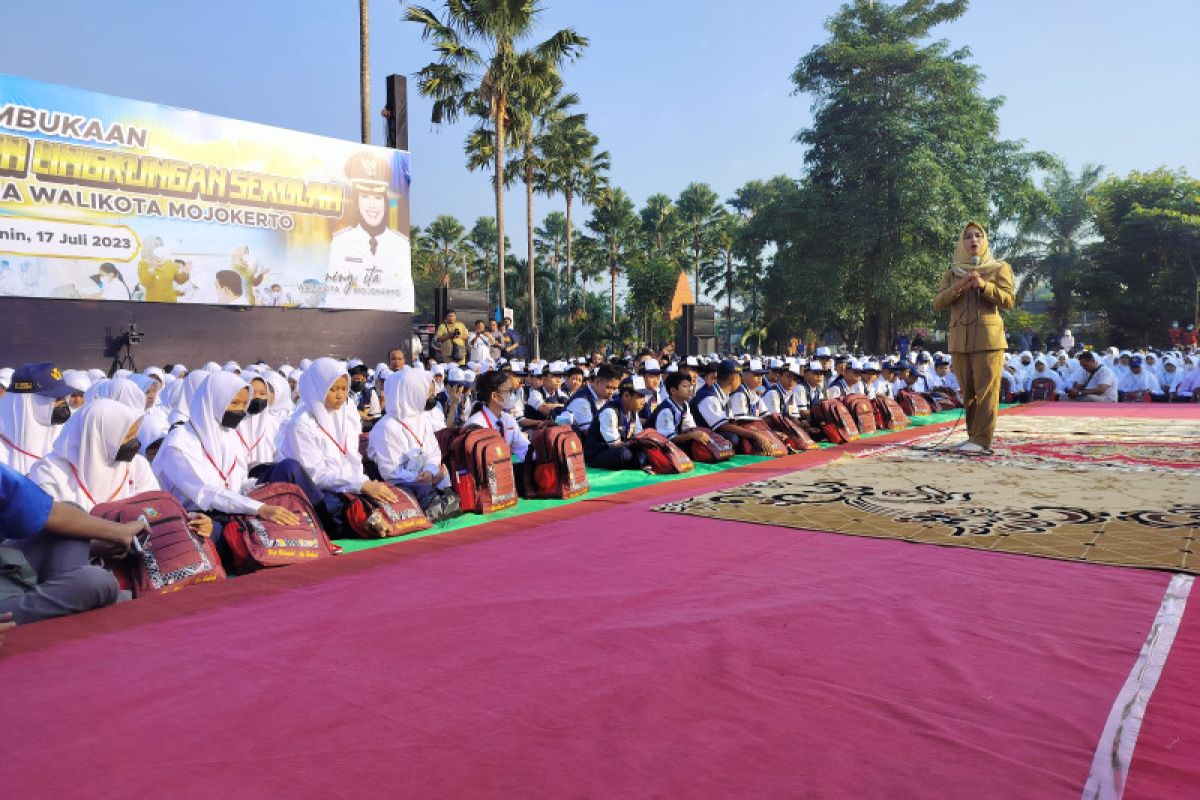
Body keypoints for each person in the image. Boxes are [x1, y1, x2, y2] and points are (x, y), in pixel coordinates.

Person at [1, 462, 148, 624]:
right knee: (97, 583)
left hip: (8, 565)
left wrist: (106, 539)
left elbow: (50, 513)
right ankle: (81, 604)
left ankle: (71, 604)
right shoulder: (49, 469)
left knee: (72, 521)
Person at [278, 358, 400, 534]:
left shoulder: (346, 413)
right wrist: (360, 485)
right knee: (330, 505)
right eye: (333, 389)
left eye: (344, 389)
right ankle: (362, 519)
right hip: (319, 491)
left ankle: (365, 515)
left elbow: (353, 458)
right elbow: (316, 476)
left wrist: (363, 484)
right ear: (317, 388)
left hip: (348, 485)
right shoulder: (300, 424)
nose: (340, 395)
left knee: (389, 493)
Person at [931, 222, 1015, 453]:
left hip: (988, 339)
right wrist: (959, 285)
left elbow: (1008, 300)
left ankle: (982, 440)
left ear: (984, 240)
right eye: (968, 236)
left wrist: (984, 285)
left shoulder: (998, 268)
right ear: (962, 242)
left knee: (986, 391)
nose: (973, 240)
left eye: (978, 235)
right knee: (968, 393)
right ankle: (972, 437)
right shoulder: (952, 272)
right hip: (959, 339)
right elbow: (938, 303)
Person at [326, 151, 414, 312]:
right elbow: (333, 295)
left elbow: (405, 296)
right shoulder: (341, 242)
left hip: (388, 323)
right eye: (365, 197)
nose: (372, 205)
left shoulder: (400, 244)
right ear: (356, 201)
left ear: (385, 202)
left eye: (378, 198)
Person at [368, 368, 459, 519]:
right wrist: (421, 479)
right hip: (403, 487)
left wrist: (430, 471)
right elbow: (390, 472)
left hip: (427, 480)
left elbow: (434, 452)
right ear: (412, 394)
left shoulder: (422, 418)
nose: (434, 396)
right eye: (429, 393)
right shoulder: (385, 428)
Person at [0, 363, 74, 474]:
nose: (63, 404)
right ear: (27, 401)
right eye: (56, 398)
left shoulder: (65, 438)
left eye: (63, 397)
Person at [690, 360, 774, 451]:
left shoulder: (724, 394)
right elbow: (723, 426)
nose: (741, 380)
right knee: (733, 438)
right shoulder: (709, 396)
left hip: (713, 432)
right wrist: (755, 435)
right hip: (698, 438)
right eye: (739, 377)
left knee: (740, 436)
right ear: (734, 379)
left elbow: (731, 421)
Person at [465, 370, 530, 468]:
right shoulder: (475, 424)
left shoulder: (508, 419)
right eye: (509, 391)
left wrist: (508, 460)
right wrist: (504, 460)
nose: (512, 395)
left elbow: (523, 450)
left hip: (505, 472)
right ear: (495, 396)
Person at [584, 379, 649, 471]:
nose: (644, 401)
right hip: (599, 454)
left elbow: (639, 435)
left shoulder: (633, 412)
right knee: (624, 454)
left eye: (644, 397)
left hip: (621, 447)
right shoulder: (610, 412)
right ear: (626, 396)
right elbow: (615, 444)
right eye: (640, 397)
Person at [650, 371, 713, 449]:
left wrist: (696, 434)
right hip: (654, 447)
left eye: (690, 386)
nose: (689, 390)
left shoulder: (684, 405)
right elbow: (669, 438)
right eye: (685, 386)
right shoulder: (666, 410)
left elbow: (690, 427)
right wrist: (691, 435)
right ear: (673, 390)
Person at [563, 364, 619, 434]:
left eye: (614, 389)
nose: (611, 392)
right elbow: (590, 433)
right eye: (608, 387)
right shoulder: (582, 401)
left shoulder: (606, 398)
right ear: (597, 382)